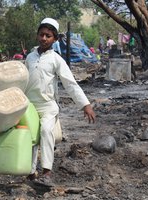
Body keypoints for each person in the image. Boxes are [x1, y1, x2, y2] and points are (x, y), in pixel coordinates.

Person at [24, 18, 96, 187]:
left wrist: (85, 105)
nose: (43, 38)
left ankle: (47, 172)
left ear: (54, 39)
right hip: (30, 106)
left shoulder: (56, 59)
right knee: (30, 136)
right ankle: (31, 172)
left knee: (46, 132)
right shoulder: (30, 57)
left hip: (48, 105)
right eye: (41, 34)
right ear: (37, 36)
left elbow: (70, 84)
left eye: (48, 36)